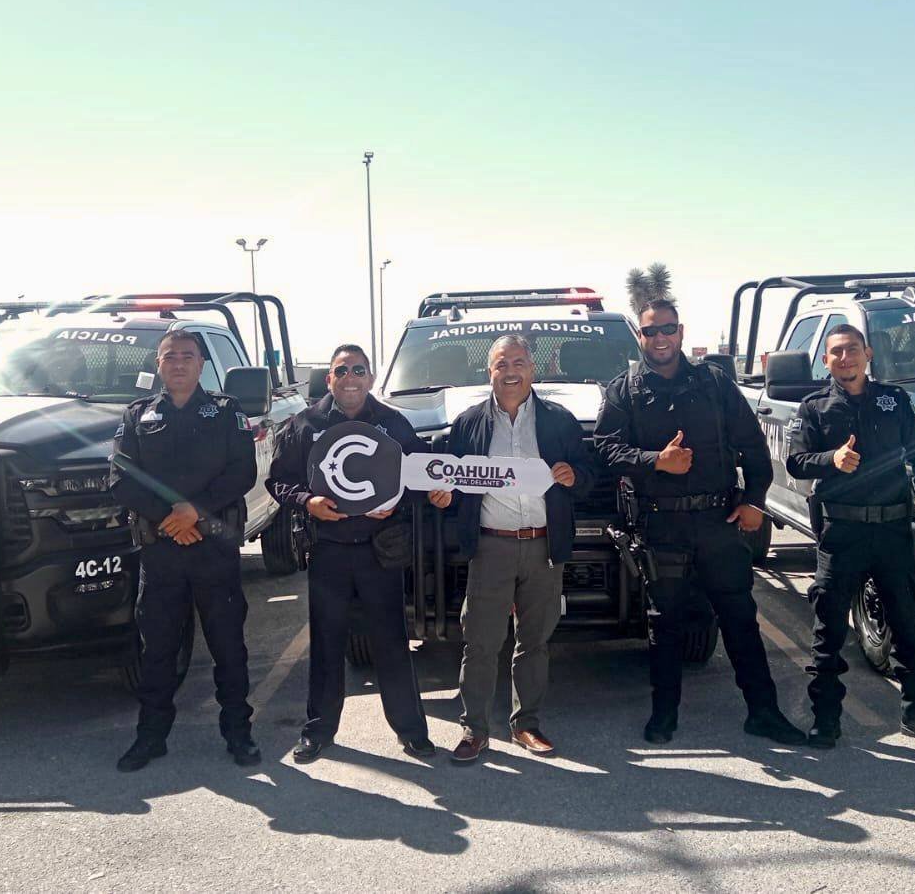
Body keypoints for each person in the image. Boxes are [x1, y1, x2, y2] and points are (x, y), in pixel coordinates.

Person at [595, 298, 806, 746]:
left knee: (739, 617)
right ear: (640, 336)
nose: (660, 338)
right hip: (661, 525)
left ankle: (764, 712)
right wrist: (656, 461)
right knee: (665, 622)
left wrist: (754, 501)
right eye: (651, 331)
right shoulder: (624, 389)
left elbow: (753, 446)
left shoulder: (714, 383)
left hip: (718, 520)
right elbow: (606, 449)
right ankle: (664, 715)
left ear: (681, 331)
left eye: (667, 328)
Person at [786, 324, 915, 748]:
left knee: (907, 624)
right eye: (836, 352)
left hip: (891, 530)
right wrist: (832, 459)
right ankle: (825, 718)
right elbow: (796, 461)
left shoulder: (894, 400)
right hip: (841, 532)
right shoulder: (814, 407)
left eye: (852, 350)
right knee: (829, 629)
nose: (844, 358)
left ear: (867, 354)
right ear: (825, 361)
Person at [266, 344, 435, 763]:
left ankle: (412, 731)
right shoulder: (305, 423)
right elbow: (279, 480)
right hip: (328, 551)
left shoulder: (393, 423)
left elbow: (420, 474)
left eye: (358, 370)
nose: (350, 378)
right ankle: (318, 731)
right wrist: (307, 502)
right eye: (341, 371)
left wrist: (397, 502)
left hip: (380, 551)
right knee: (326, 644)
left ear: (371, 377)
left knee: (392, 643)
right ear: (329, 379)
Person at [432, 335, 596, 763]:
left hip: (543, 546)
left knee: (534, 641)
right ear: (489, 372)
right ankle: (474, 729)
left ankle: (526, 724)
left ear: (532, 369)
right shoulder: (468, 423)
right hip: (491, 546)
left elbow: (590, 474)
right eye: (501, 364)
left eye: (519, 362)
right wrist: (445, 495)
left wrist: (574, 475)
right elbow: (453, 481)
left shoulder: (559, 420)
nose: (510, 371)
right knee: (480, 643)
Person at [108, 330, 260, 772]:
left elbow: (242, 472)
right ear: (158, 364)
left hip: (214, 550)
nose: (178, 363)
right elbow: (120, 478)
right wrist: (171, 518)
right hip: (162, 552)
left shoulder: (227, 411)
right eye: (170, 356)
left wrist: (195, 512)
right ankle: (150, 737)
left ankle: (239, 734)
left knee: (228, 647)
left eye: (187, 356)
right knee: (157, 651)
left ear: (201, 364)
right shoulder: (138, 415)